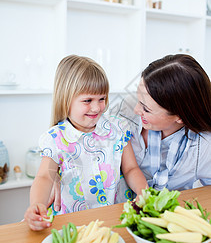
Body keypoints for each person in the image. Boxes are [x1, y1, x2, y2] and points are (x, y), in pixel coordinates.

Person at [24, 55, 147, 231]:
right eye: (88, 100)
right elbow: (45, 177)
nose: (97, 108)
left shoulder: (118, 128)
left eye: (102, 98)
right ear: (66, 100)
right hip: (76, 225)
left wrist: (144, 192)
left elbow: (130, 168)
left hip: (117, 218)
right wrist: (36, 205)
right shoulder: (56, 139)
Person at [118, 54, 211, 191]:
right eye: (139, 99)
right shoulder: (126, 109)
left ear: (181, 117)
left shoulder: (203, 146)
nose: (137, 109)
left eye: (146, 109)